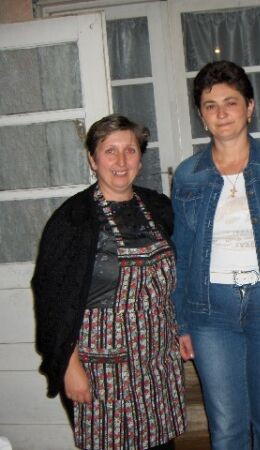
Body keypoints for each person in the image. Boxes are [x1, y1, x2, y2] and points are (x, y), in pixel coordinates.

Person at [32, 114, 185, 450]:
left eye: (130, 150)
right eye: (109, 151)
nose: (121, 161)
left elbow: (177, 276)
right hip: (101, 366)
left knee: (161, 444)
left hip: (157, 359)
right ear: (93, 159)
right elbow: (50, 299)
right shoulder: (72, 219)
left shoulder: (158, 207)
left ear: (140, 159)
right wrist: (68, 365)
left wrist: (183, 330)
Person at [171, 60, 260, 450]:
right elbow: (182, 253)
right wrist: (182, 323)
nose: (221, 113)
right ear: (201, 116)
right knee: (226, 428)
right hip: (210, 310)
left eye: (231, 103)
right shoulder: (187, 175)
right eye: (210, 106)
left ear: (249, 108)